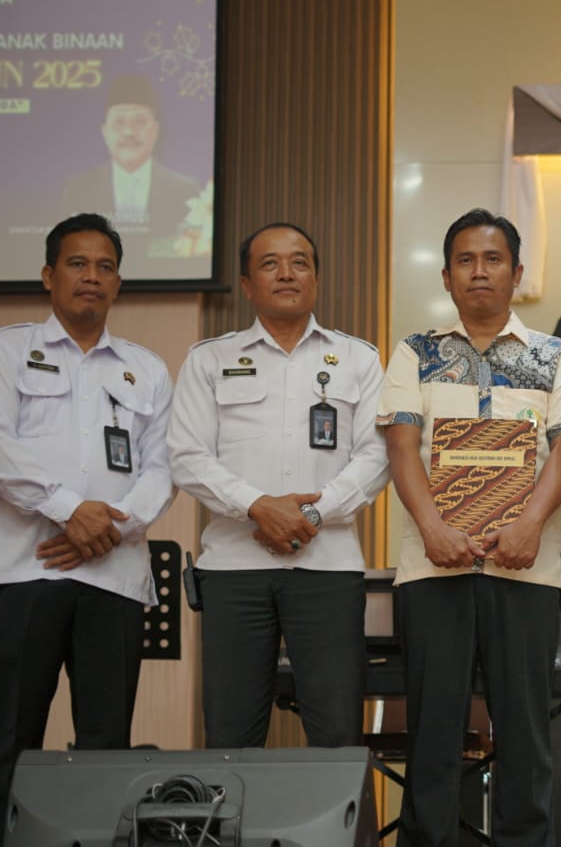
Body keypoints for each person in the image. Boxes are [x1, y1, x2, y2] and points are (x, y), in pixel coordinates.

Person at [0, 212, 175, 847]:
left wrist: (113, 527)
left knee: (105, 749)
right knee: (8, 741)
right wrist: (69, 510)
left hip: (113, 579)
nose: (92, 276)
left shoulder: (146, 369)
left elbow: (164, 467)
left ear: (119, 283)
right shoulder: (8, 350)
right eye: (78, 264)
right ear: (48, 275)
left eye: (106, 267)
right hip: (26, 571)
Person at [378, 209, 561, 846]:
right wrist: (433, 529)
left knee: (525, 735)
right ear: (446, 276)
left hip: (527, 567)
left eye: (493, 259)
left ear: (517, 273)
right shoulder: (416, 352)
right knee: (432, 734)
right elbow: (402, 448)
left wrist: (530, 524)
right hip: (432, 566)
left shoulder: (556, 357)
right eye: (465, 260)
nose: (479, 271)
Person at [169, 222, 389, 748]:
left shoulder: (358, 358)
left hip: (327, 567)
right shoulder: (209, 359)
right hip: (233, 570)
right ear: (247, 285)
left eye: (299, 262)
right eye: (270, 264)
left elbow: (377, 455)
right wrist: (257, 507)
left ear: (316, 279)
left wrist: (309, 515)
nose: (286, 273)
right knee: (231, 736)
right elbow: (186, 455)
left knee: (337, 735)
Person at [62, 74, 200, 249]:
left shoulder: (185, 190)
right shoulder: (78, 189)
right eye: (119, 122)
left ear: (155, 130)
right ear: (105, 132)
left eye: (139, 121)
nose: (129, 132)